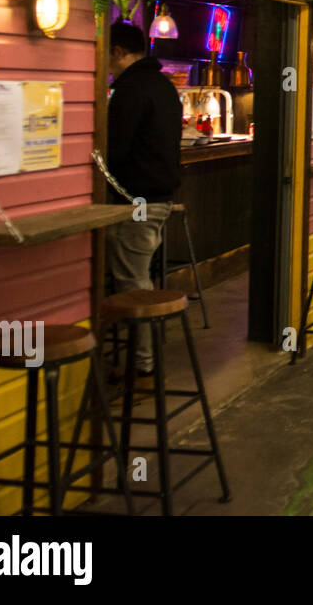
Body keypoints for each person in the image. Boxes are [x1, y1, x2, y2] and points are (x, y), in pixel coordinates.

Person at [105, 20, 182, 386]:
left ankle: (144, 365)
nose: (106, 66)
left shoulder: (130, 89)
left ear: (118, 52)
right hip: (160, 197)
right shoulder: (163, 86)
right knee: (139, 277)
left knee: (132, 282)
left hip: (138, 199)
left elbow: (116, 149)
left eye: (107, 57)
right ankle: (143, 358)